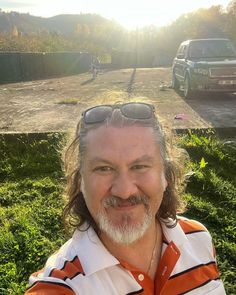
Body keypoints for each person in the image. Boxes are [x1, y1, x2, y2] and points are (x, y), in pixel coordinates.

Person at [25, 100, 226, 294]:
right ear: (80, 182)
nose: (124, 191)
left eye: (139, 167)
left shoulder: (199, 239)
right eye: (104, 168)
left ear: (166, 175)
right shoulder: (59, 286)